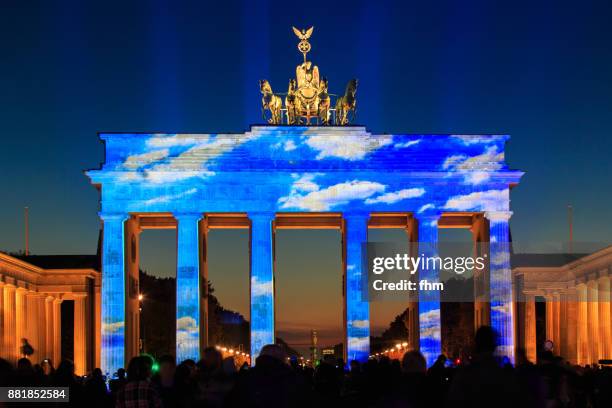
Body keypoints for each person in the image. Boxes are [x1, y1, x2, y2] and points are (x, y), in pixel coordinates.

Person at [446, 326, 520, 408]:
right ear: (494, 346)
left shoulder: (464, 375)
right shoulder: (505, 375)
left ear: (475, 344)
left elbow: (453, 401)